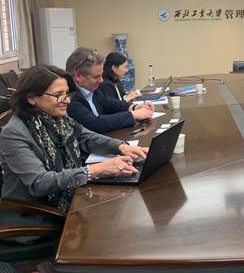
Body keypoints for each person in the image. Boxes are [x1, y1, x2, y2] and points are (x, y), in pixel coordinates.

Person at [0, 65, 148, 217]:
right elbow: (40, 182)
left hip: (67, 199)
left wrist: (121, 146)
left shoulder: (58, 117)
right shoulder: (14, 133)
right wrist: (95, 170)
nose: (67, 101)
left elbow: (85, 136)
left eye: (66, 93)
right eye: (58, 95)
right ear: (32, 98)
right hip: (34, 215)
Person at [66, 47, 153, 133]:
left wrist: (135, 107)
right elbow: (95, 123)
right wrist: (133, 115)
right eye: (96, 77)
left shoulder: (94, 91)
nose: (101, 80)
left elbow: (113, 105)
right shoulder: (69, 98)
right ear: (78, 76)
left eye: (101, 75)